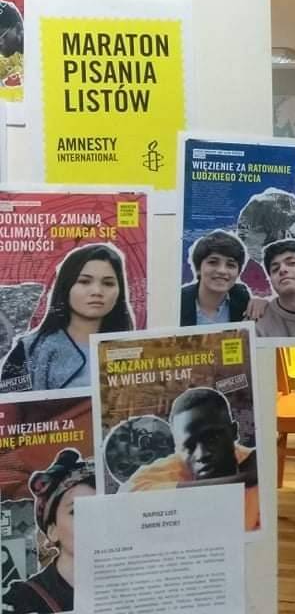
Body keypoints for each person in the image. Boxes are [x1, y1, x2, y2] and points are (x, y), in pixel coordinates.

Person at [120, 387, 260, 531]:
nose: (202, 454)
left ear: (234, 432)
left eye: (212, 438)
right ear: (178, 448)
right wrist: (243, 479)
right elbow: (125, 498)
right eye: (189, 446)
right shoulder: (172, 468)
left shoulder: (256, 463)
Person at [0, 244, 133, 393]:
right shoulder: (29, 350)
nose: (97, 291)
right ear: (66, 286)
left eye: (108, 283)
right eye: (84, 281)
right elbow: (9, 404)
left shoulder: (136, 349)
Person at [3, 449, 95, 614]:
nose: (92, 521)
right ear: (52, 530)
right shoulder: (21, 600)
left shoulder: (126, 583)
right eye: (76, 511)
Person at [180, 230, 267, 325]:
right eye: (213, 262)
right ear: (198, 268)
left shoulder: (242, 298)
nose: (222, 271)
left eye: (230, 265)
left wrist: (264, 305)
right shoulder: (178, 302)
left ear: (238, 273)